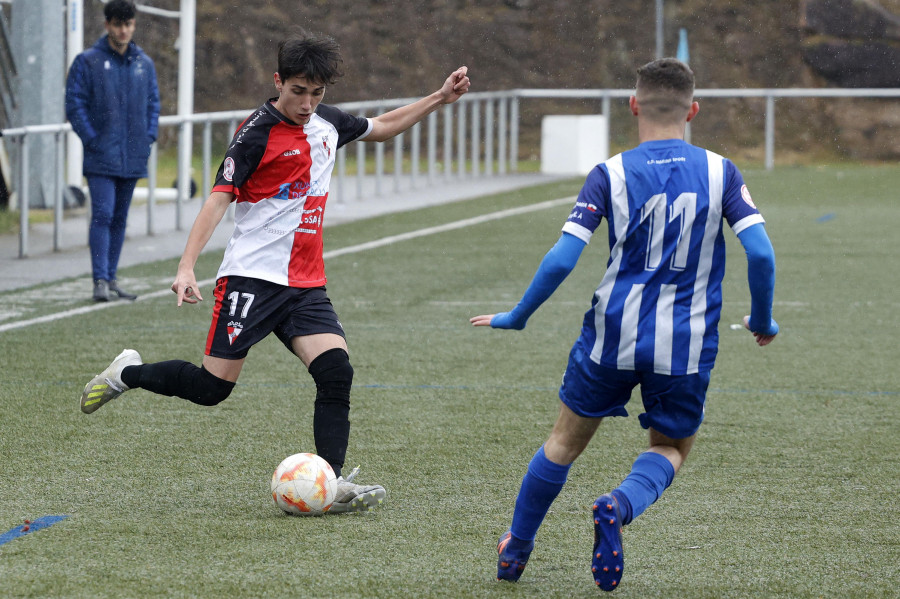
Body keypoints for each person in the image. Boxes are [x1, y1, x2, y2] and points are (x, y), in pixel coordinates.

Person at [80, 32, 470, 514]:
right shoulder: (255, 134)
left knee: (336, 373)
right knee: (212, 389)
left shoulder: (327, 122)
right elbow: (219, 198)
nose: (308, 103)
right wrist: (186, 267)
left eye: (317, 93)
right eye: (298, 91)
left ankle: (329, 482)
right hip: (252, 279)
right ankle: (127, 373)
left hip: (305, 284)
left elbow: (383, 125)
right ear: (278, 81)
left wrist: (439, 97)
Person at [470, 58, 778, 589]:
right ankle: (619, 504)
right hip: (684, 343)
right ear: (693, 110)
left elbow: (564, 258)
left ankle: (515, 549)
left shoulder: (609, 173)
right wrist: (764, 317)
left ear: (633, 105)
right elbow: (761, 254)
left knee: (563, 444)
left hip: (611, 335)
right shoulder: (720, 171)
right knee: (671, 448)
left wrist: (518, 315)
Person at [65, 0, 160, 302]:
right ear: (107, 25)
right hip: (101, 155)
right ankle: (99, 280)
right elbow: (74, 104)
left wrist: (148, 137)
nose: (123, 30)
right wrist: (92, 139)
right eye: (118, 24)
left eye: (128, 24)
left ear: (133, 25)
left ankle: (112, 277)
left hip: (132, 155)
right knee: (102, 214)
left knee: (120, 217)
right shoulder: (88, 61)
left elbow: (153, 104)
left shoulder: (144, 63)